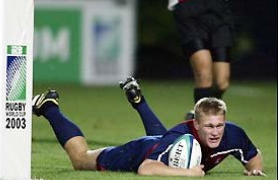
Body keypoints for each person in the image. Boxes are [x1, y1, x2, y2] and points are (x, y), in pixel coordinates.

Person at [32, 77, 265, 177]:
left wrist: (253, 170)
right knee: (81, 159)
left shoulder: (233, 133)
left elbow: (253, 156)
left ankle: (138, 101)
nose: (215, 132)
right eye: (209, 126)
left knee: (161, 138)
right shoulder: (180, 134)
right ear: (195, 123)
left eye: (219, 125)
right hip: (139, 153)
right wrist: (188, 173)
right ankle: (50, 107)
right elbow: (146, 169)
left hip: (161, 143)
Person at [168, 0, 235, 119]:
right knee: (203, 72)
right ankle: (202, 124)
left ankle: (198, 114)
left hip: (218, 10)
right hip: (189, 8)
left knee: (221, 83)